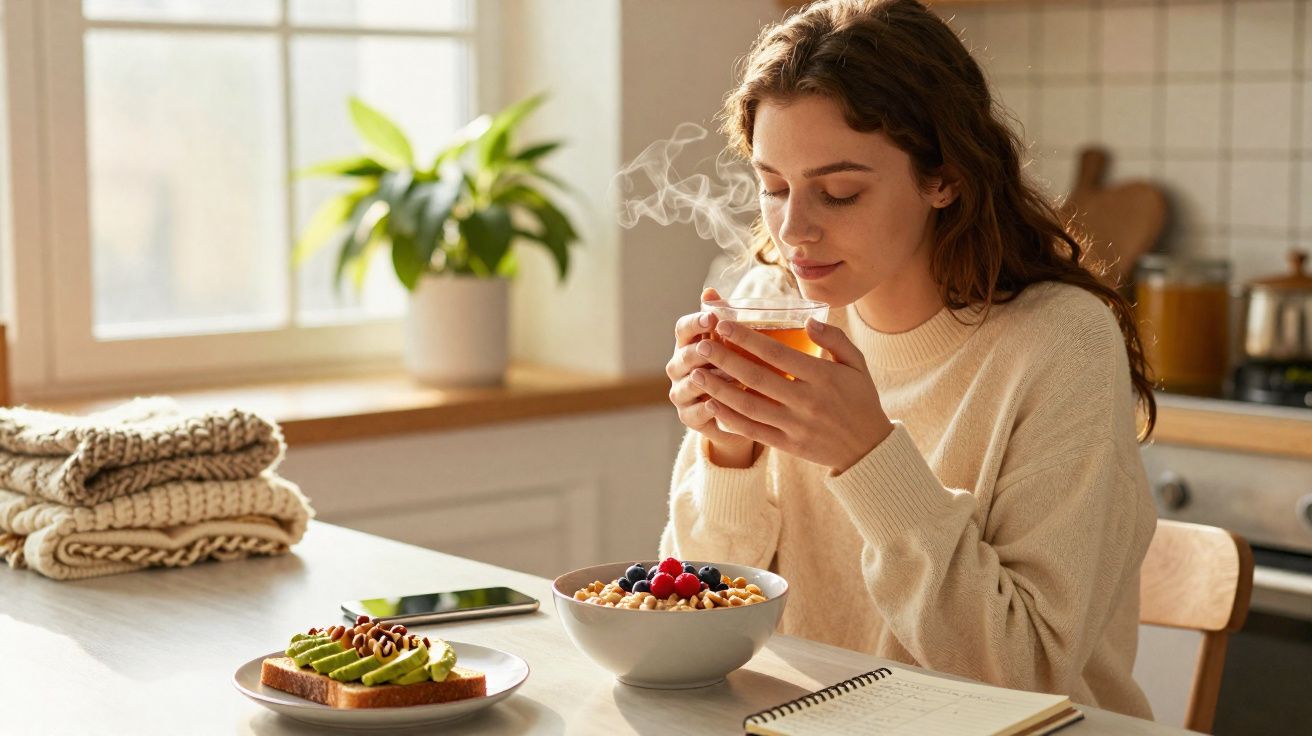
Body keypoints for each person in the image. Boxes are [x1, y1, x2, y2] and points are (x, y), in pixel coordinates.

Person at [660, 0, 1158, 719]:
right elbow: (696, 621)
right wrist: (729, 453)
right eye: (773, 187)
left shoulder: (1059, 345)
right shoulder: (774, 305)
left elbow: (1023, 674)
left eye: (839, 192)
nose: (794, 231)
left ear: (943, 178)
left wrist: (867, 455)